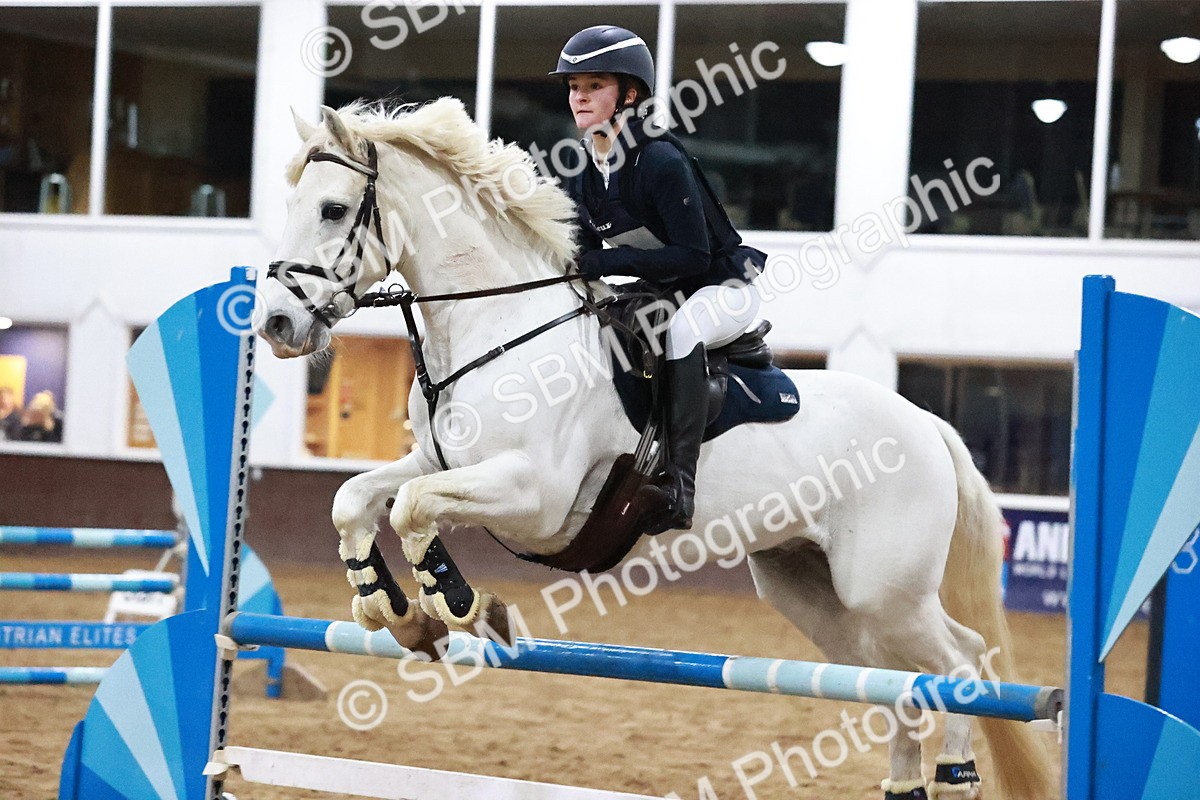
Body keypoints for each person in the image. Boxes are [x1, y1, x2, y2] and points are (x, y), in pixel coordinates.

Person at [552, 25, 764, 532]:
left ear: (629, 94)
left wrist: (607, 265)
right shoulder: (584, 166)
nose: (579, 97)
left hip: (720, 289)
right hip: (660, 290)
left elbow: (692, 256)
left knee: (682, 331)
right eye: (573, 87)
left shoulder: (661, 161)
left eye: (593, 86)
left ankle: (679, 486)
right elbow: (584, 250)